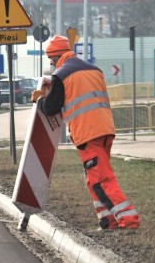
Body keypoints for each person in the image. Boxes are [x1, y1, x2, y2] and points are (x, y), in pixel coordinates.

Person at [32, 35, 140, 230]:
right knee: (93, 178)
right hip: (105, 129)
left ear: (56, 56)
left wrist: (40, 99)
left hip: (87, 132)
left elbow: (51, 108)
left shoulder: (61, 75)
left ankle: (128, 219)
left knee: (100, 179)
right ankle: (109, 220)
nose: (50, 62)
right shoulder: (93, 69)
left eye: (50, 58)